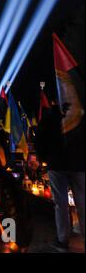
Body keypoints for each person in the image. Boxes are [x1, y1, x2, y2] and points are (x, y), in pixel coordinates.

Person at [36, 103, 85, 252]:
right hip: (78, 163)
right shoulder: (79, 113)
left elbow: (40, 140)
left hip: (57, 164)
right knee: (83, 202)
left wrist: (45, 158)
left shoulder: (49, 117)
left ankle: (62, 240)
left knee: (61, 204)